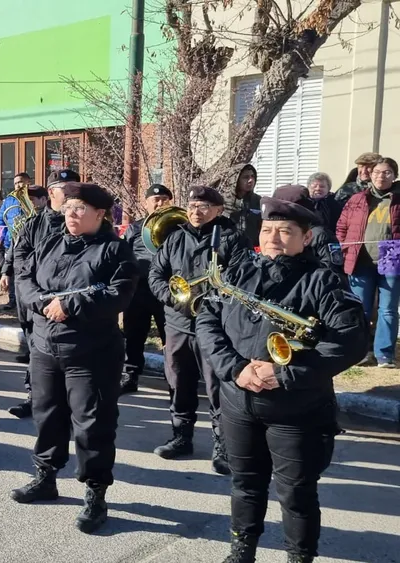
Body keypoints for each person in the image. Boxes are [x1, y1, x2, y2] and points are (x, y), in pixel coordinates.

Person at [196, 184, 368, 563]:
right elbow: (207, 321)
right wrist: (235, 369)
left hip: (297, 412)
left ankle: (298, 557)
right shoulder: (240, 270)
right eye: (268, 230)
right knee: (244, 485)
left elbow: (352, 341)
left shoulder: (324, 281)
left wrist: (285, 375)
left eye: (285, 231)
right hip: (238, 402)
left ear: (306, 238)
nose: (273, 238)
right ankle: (242, 550)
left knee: (296, 493)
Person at [10, 182, 138, 535]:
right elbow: (25, 278)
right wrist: (39, 301)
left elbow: (119, 295)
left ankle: (96, 493)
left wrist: (70, 304)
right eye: (68, 208)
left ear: (101, 214)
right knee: (47, 415)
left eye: (79, 209)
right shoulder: (52, 241)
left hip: (91, 353)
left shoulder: (115, 251)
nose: (71, 215)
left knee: (92, 425)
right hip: (45, 346)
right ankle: (46, 477)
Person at [148, 185, 250, 474]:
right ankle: (181, 436)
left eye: (204, 207)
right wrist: (172, 297)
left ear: (218, 210)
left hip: (214, 325)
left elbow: (238, 279)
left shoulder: (231, 239)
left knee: (217, 387)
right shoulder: (175, 237)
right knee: (178, 381)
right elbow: (156, 273)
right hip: (178, 321)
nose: (196, 211)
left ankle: (223, 445)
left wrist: (209, 303)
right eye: (192, 206)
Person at [2, 170, 81, 418]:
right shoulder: (33, 224)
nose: (69, 197)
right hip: (38, 304)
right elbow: (21, 259)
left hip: (71, 303)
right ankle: (34, 398)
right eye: (64, 192)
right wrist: (38, 297)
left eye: (73, 191)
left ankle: (69, 405)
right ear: (51, 193)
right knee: (38, 353)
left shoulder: (85, 223)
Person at [335, 156, 400, 368]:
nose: (382, 176)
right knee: (360, 308)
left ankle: (384, 355)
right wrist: (346, 247)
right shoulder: (357, 199)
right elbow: (342, 227)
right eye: (378, 172)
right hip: (360, 258)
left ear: (395, 176)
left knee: (388, 309)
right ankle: (360, 352)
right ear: (370, 175)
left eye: (387, 172)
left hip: (391, 256)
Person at [120, 184, 172, 394]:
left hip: (167, 289)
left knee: (170, 335)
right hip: (139, 289)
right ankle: (130, 376)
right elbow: (125, 256)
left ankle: (174, 379)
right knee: (134, 334)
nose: (159, 203)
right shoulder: (135, 228)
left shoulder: (177, 226)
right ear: (146, 202)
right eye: (155, 200)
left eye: (164, 200)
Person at [0, 172, 32, 310]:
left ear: (28, 182)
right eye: (16, 183)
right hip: (11, 242)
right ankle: (12, 300)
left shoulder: (33, 197)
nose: (18, 185)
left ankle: (26, 301)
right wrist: (1, 238)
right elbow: (0, 220)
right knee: (11, 272)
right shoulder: (10, 200)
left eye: (21, 182)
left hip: (29, 243)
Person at [225, 164, 262, 248]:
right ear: (235, 179)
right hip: (229, 249)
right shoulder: (224, 201)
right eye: (246, 177)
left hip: (252, 251)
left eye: (253, 176)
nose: (250, 180)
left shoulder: (259, 201)